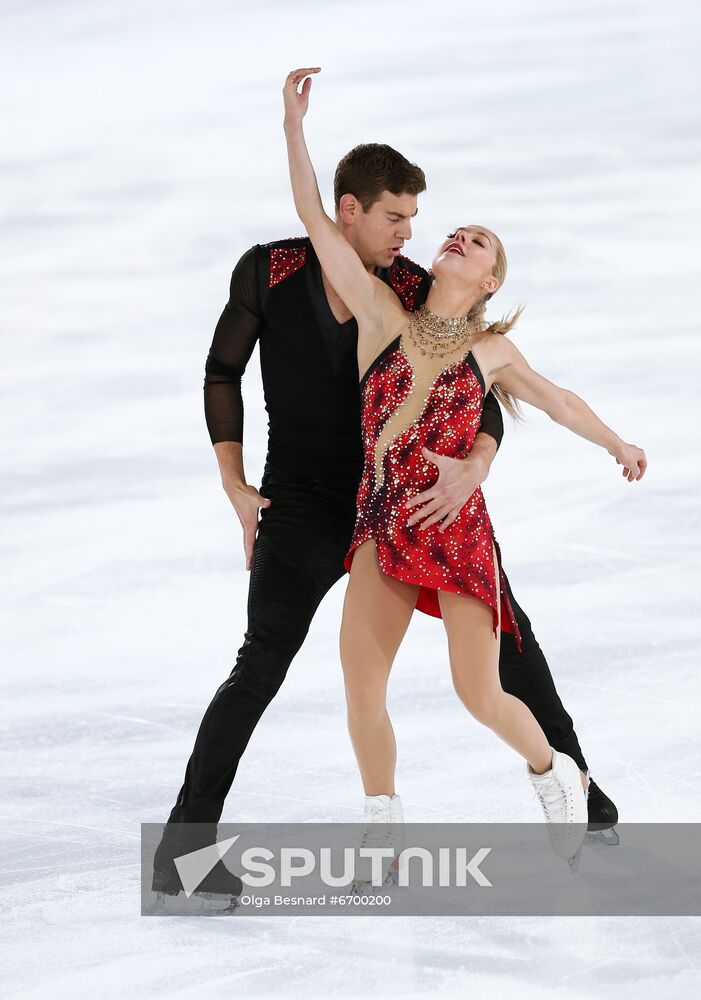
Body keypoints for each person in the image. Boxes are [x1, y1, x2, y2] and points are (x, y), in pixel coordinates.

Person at [150, 83, 627, 903]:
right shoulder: (289, 273)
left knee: (510, 649)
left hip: (427, 507)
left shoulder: (416, 292)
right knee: (265, 662)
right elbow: (220, 369)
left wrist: (477, 464)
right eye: (396, 218)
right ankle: (189, 847)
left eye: (421, 223)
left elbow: (491, 393)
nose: (412, 234)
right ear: (351, 211)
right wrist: (234, 485)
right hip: (310, 501)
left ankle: (575, 787)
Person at [282, 67, 647, 863]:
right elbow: (313, 216)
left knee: (479, 693)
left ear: (488, 280)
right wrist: (293, 123)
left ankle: (558, 777)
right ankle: (381, 821)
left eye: (477, 243)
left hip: (453, 532)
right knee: (361, 687)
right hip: (381, 522)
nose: (457, 239)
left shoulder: (489, 350)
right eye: (458, 231)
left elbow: (558, 402)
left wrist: (617, 443)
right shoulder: (382, 314)